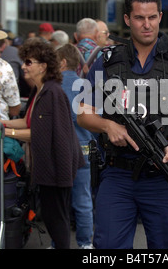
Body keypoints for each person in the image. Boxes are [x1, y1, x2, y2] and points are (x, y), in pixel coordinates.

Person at [77, 0, 168, 249]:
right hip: (117, 175)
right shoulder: (106, 61)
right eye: (140, 18)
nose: (147, 24)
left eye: (152, 17)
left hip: (162, 174)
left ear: (160, 16)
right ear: (128, 19)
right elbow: (83, 113)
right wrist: (107, 125)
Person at [2, 38, 85, 249]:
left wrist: (5, 131)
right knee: (52, 218)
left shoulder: (51, 92)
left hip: (57, 168)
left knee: (56, 219)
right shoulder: (40, 90)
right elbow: (27, 121)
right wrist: (1, 123)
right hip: (48, 167)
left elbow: (39, 133)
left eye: (28, 62)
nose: (23, 67)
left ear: (43, 66)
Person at [56, 43, 95, 249]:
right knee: (83, 200)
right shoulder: (85, 86)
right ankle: (85, 244)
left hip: (60, 149)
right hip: (84, 147)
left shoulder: (53, 87)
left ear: (62, 62)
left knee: (59, 202)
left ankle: (57, 244)